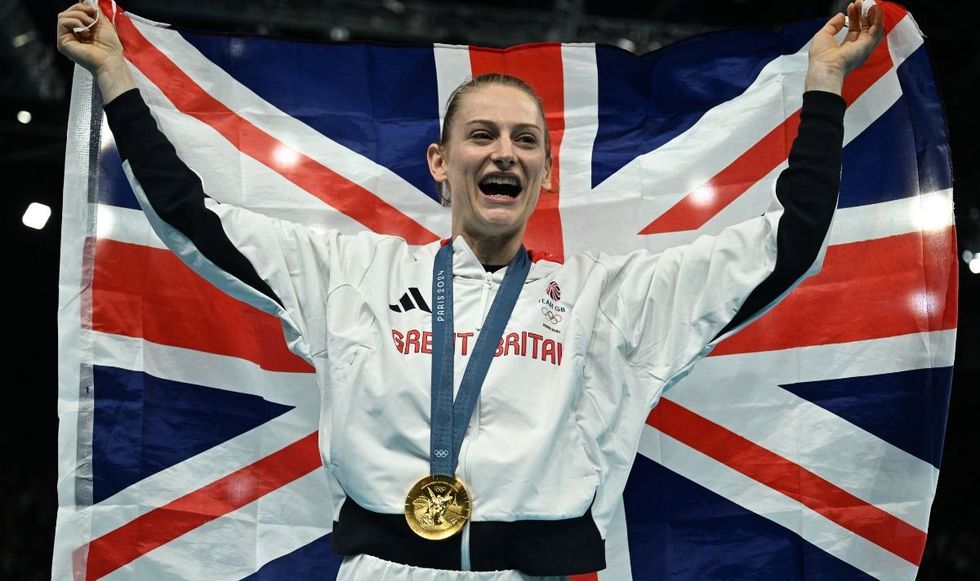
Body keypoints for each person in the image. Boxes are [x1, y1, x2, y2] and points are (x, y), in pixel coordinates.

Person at [57, 1, 883, 579]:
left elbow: (789, 240)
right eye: (481, 134)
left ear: (546, 173)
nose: (504, 152)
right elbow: (192, 215)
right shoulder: (352, 274)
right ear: (441, 164)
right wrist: (116, 75)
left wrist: (822, 82)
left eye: (525, 140)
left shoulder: (611, 299)